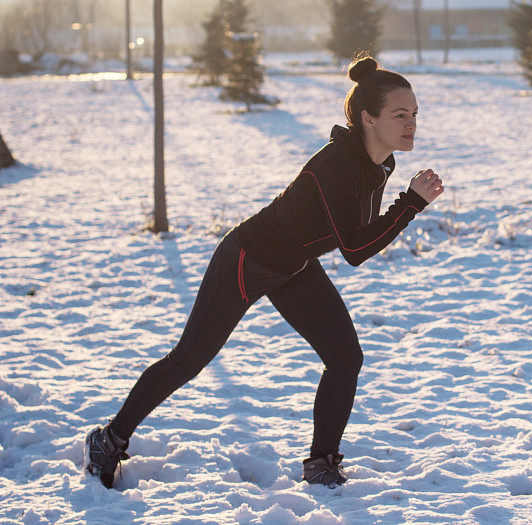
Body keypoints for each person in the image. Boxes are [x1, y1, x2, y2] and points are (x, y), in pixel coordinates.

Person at [83, 54, 445, 489]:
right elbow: (354, 249)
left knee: (346, 357)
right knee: (190, 360)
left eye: (415, 114)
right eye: (399, 114)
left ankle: (321, 463)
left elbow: (357, 232)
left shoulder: (379, 163)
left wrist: (405, 203)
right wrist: (411, 204)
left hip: (294, 265)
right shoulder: (336, 165)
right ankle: (109, 439)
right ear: (369, 118)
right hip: (247, 259)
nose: (411, 124)